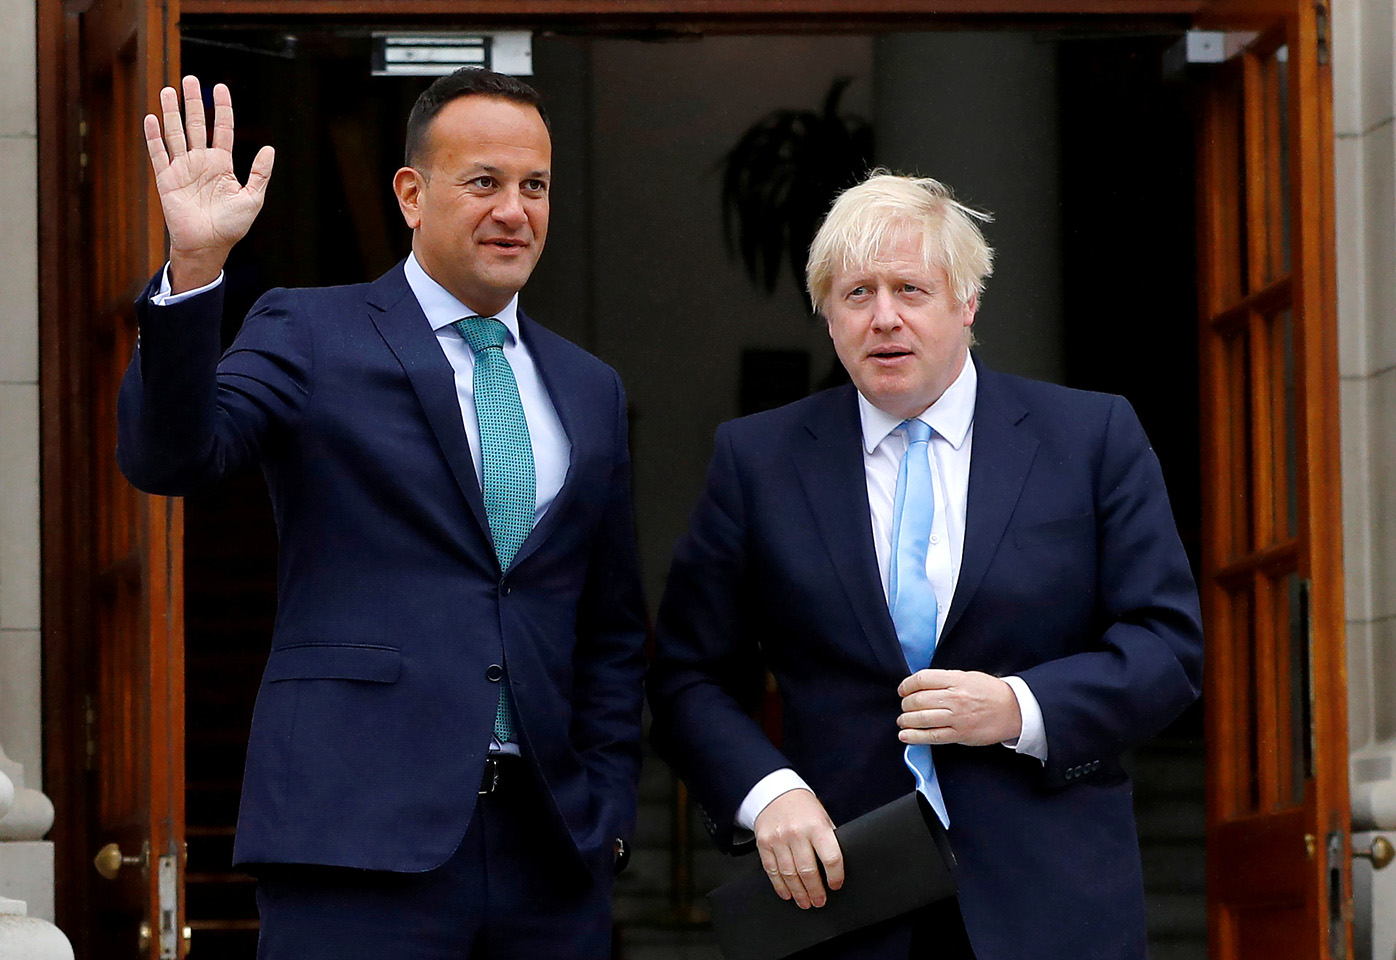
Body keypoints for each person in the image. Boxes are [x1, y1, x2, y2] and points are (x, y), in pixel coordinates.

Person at [117, 69, 647, 959]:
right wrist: (197, 270)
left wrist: (610, 817)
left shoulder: (591, 388)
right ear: (411, 194)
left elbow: (611, 628)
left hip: (552, 859)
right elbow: (170, 458)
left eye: (535, 186)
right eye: (484, 182)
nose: (513, 210)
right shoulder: (309, 331)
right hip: (354, 843)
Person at [648, 172, 1203, 960]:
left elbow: (1167, 648)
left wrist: (1019, 707)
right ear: (828, 315)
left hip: (1050, 902)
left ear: (967, 302)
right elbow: (687, 676)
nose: (884, 317)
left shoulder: (1090, 438)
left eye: (910, 289)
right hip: (842, 897)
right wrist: (768, 795)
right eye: (857, 294)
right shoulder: (758, 461)